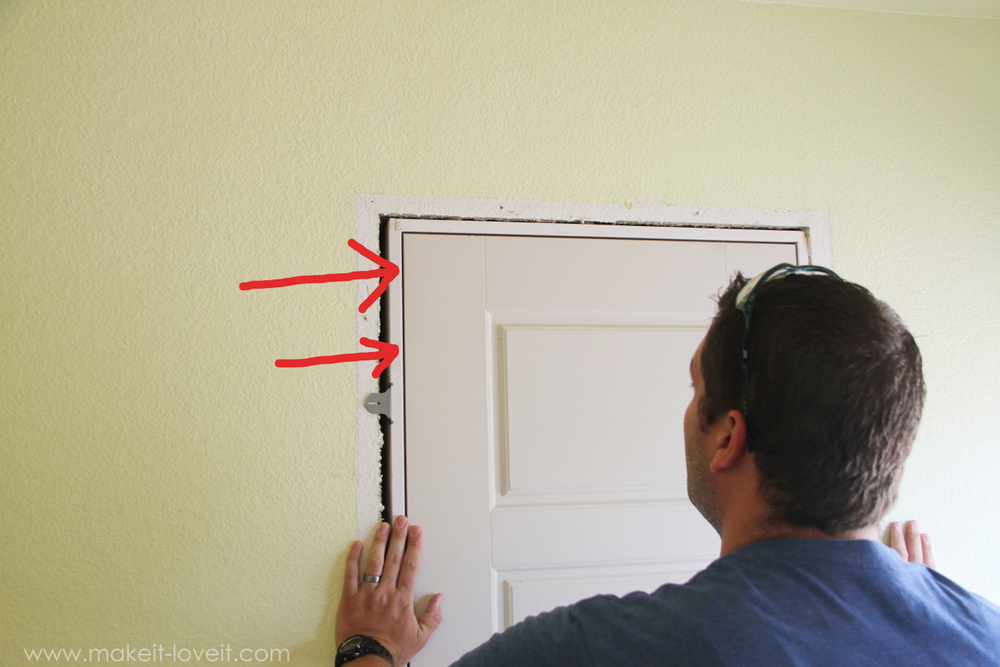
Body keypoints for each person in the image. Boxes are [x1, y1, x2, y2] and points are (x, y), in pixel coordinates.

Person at [334, 266, 1000, 666]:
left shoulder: (598, 649)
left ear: (727, 437)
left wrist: (369, 647)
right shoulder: (984, 636)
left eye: (693, 388)